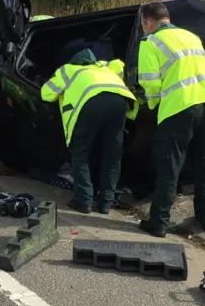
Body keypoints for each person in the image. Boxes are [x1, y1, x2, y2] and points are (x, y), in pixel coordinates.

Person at [136, 2, 205, 237]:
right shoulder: (191, 37)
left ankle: (159, 224)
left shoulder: (150, 42)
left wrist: (153, 107)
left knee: (169, 167)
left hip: (180, 108)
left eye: (144, 25)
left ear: (148, 22)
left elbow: (151, 83)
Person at [41, 39, 138, 214]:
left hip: (90, 104)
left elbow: (46, 94)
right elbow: (120, 65)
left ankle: (84, 200)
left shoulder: (68, 70)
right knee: (112, 155)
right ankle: (106, 202)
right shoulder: (105, 67)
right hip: (119, 102)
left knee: (81, 154)